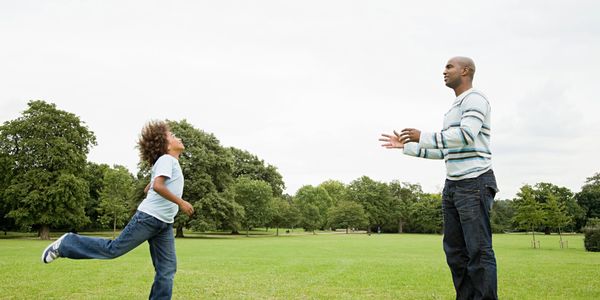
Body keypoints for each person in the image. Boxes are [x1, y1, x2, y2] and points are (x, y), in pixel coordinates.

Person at [380, 57, 499, 300]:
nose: (443, 71)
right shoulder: (454, 107)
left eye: (449, 67)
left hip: (474, 182)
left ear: (465, 70)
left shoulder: (475, 99)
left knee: (478, 252)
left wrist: (422, 135)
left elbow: (465, 135)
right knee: (455, 253)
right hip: (454, 186)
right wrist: (406, 147)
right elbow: (448, 149)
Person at [42, 120, 194, 300]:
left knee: (167, 270)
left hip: (164, 224)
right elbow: (159, 186)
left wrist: (151, 186)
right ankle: (67, 243)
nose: (179, 138)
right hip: (149, 219)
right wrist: (181, 202)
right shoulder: (166, 159)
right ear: (166, 146)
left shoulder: (169, 162)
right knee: (113, 249)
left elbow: (152, 186)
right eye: (173, 136)